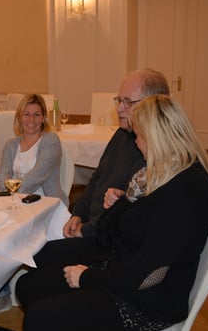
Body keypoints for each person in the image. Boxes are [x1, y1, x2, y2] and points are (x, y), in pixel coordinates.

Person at [15, 95, 208, 331]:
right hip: (123, 274)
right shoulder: (161, 173)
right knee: (28, 287)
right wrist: (122, 202)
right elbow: (116, 233)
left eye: (139, 135)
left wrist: (88, 277)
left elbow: (148, 274)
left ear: (156, 136)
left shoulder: (186, 190)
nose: (136, 142)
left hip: (146, 302)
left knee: (38, 320)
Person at [0, 94, 68, 320]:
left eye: (37, 114)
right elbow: (3, 180)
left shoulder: (50, 140)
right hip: (17, 204)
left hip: (47, 207)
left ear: (44, 118)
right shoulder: (11, 145)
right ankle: (0, 293)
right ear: (19, 117)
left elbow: (38, 176)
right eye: (26, 114)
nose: (31, 119)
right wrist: (12, 191)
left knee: (10, 233)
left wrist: (13, 188)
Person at [63, 68, 170, 238]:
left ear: (152, 105)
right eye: (119, 100)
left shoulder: (150, 150)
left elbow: (129, 218)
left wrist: (84, 230)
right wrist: (78, 214)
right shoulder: (121, 134)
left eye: (128, 102)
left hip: (105, 235)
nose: (119, 108)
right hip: (90, 226)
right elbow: (97, 177)